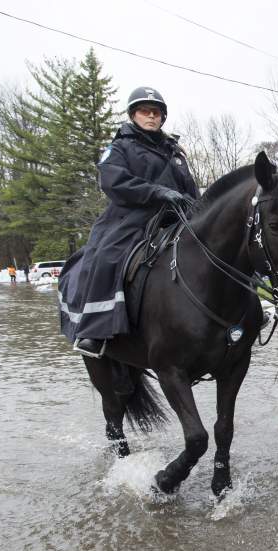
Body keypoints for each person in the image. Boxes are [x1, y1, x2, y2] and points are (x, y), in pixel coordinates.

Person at [59, 86, 200, 357]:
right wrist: (157, 192)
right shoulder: (120, 147)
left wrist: (198, 207)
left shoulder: (175, 153)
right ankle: (94, 331)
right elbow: (113, 181)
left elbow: (190, 189)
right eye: (145, 111)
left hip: (178, 216)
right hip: (132, 215)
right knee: (106, 257)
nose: (151, 117)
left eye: (156, 113)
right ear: (133, 115)